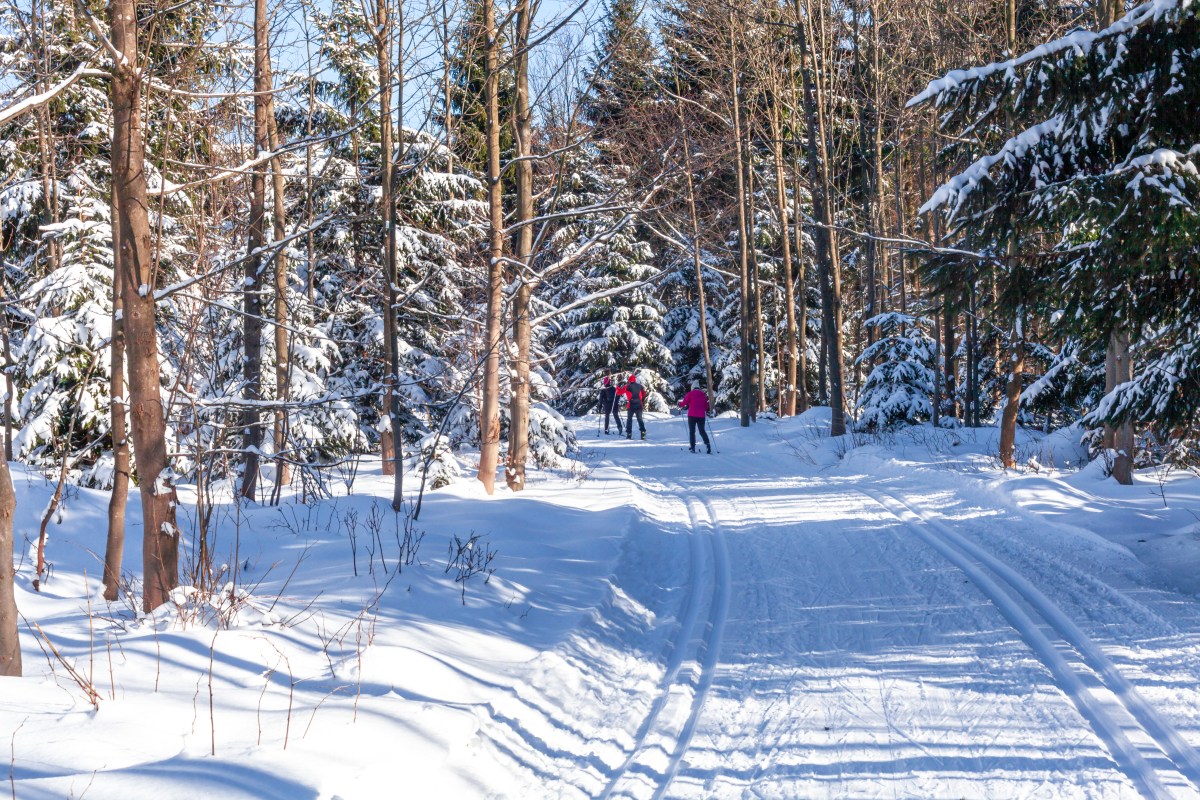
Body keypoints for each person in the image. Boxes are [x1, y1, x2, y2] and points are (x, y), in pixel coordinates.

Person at [678, 380, 711, 453]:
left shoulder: (690, 394)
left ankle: (692, 447)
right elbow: (706, 406)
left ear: (692, 387)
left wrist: (680, 404)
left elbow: (684, 403)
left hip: (692, 415)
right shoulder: (703, 394)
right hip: (701, 416)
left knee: (692, 432)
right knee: (702, 431)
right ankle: (707, 444)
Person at [621, 374, 647, 440]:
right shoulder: (640, 386)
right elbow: (644, 394)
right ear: (634, 380)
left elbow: (619, 392)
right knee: (640, 419)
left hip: (631, 405)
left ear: (629, 380)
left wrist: (618, 387)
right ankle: (643, 433)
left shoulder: (627, 386)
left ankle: (629, 434)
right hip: (639, 405)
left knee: (629, 419)